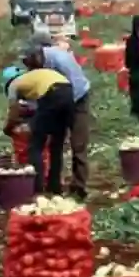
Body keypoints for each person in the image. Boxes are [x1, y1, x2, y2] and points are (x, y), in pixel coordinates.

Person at [25, 30, 91, 199]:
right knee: (56, 141)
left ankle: (80, 186)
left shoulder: (60, 59)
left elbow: (75, 84)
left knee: (78, 143)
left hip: (78, 98)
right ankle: (54, 185)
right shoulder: (41, 63)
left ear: (39, 52)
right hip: (59, 99)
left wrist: (59, 109)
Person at [1, 66, 74, 195]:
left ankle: (37, 187)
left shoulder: (14, 85)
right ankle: (54, 187)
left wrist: (7, 128)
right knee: (56, 146)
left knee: (35, 146)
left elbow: (14, 111)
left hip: (52, 94)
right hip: (68, 92)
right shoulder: (33, 79)